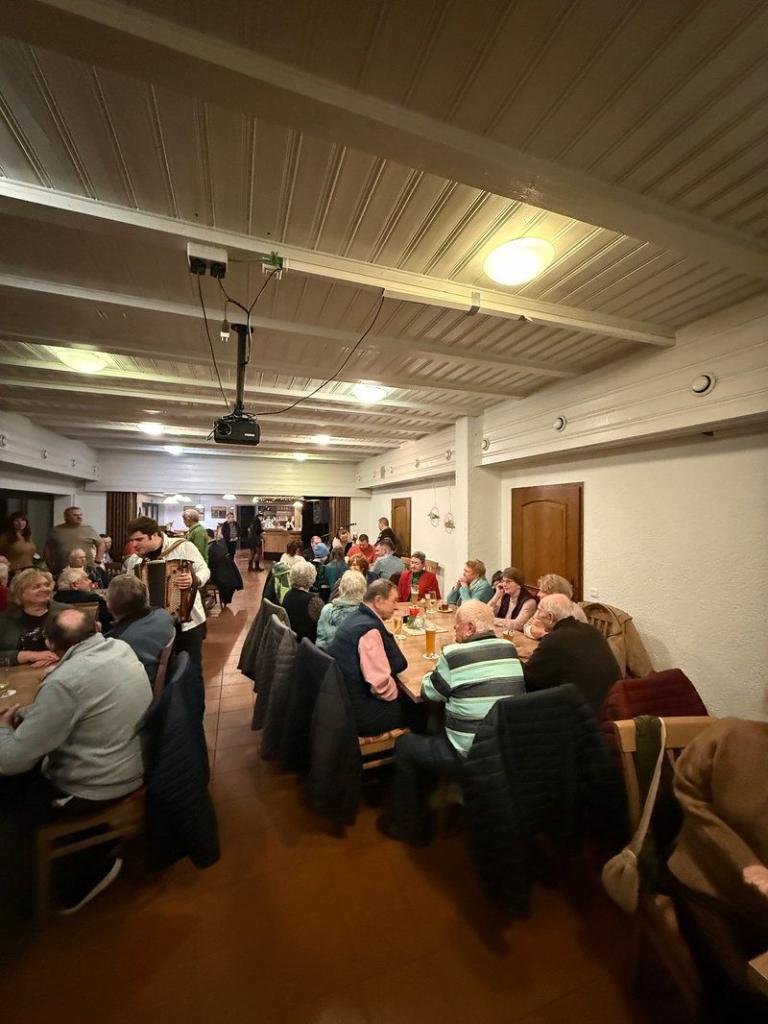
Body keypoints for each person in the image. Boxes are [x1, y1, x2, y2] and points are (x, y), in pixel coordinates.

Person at [0, 607, 152, 916]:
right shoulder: (120, 647)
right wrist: (33, 714)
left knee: (11, 795)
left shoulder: (65, 681)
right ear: (96, 628)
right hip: (132, 761)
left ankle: (81, 874)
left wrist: (3, 727)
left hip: (97, 785)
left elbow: (13, 761)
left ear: (50, 644)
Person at [379, 600, 525, 845]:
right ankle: (443, 790)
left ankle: (409, 825)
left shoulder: (454, 654)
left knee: (405, 744)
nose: (455, 629)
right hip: (505, 749)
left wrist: (435, 671)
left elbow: (428, 692)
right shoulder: (509, 649)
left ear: (470, 628)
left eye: (457, 625)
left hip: (468, 755)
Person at [667, 718, 768, 1023]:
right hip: (704, 882)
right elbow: (686, 788)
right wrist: (746, 862)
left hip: (759, 905)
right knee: (742, 999)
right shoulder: (731, 737)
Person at [329, 579, 416, 736]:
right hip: (362, 715)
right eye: (394, 601)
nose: (396, 606)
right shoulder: (369, 630)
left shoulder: (355, 616)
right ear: (378, 600)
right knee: (419, 707)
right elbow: (380, 685)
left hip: (343, 701)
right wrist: (400, 696)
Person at [124, 516, 210, 668]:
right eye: (132, 540)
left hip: (187, 621)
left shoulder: (183, 546)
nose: (134, 545)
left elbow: (204, 570)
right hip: (153, 624)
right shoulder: (134, 561)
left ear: (154, 535)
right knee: (164, 668)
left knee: (191, 668)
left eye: (139, 539)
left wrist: (194, 579)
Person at [522, 594, 621, 712]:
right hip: (613, 703)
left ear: (550, 617)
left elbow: (529, 678)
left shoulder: (555, 639)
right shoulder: (591, 630)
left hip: (583, 712)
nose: (536, 615)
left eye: (539, 611)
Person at [105, 574, 175, 685]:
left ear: (109, 605)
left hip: (138, 687)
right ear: (145, 598)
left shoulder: (115, 642)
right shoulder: (164, 615)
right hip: (164, 682)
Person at [0, 568, 65, 667]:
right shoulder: (4, 620)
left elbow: (83, 646)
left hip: (60, 668)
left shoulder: (66, 612)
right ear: (20, 593)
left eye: (47, 585)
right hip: (17, 674)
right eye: (36, 587)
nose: (45, 589)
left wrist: (58, 657)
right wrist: (25, 656)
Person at [44, 506, 103, 578]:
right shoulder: (56, 531)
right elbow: (48, 550)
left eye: (80, 515)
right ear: (66, 517)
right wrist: (50, 566)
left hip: (86, 570)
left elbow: (101, 544)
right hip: (63, 570)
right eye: (75, 515)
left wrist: (97, 561)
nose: (79, 517)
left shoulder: (88, 529)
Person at [316, 569, 367, 650]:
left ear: (340, 590)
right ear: (364, 591)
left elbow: (320, 642)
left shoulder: (327, 610)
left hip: (326, 655)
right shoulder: (366, 615)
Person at [55, 568, 112, 633]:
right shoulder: (92, 598)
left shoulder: (55, 599)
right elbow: (109, 616)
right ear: (74, 585)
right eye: (86, 579)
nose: (90, 581)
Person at [282, 560, 324, 643]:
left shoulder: (287, 595)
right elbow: (323, 625)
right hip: (309, 643)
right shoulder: (313, 600)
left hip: (293, 639)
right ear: (312, 578)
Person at [206, 527, 243, 608]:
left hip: (219, 578)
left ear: (207, 537)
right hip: (228, 577)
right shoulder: (220, 546)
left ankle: (206, 598)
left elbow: (207, 567)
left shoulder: (209, 549)